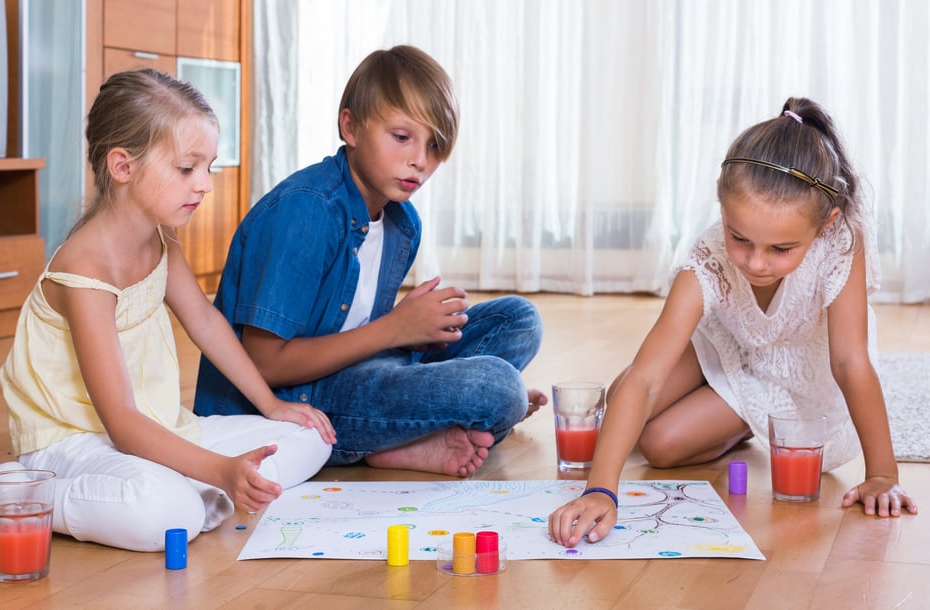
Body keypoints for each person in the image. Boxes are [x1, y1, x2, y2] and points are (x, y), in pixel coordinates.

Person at [0, 69, 336, 552]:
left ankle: (197, 488)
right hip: (74, 442)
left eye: (208, 167)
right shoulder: (85, 270)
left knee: (311, 436)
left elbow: (205, 322)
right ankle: (15, 493)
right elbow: (119, 419)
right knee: (167, 515)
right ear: (122, 166)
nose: (204, 185)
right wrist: (220, 471)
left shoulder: (162, 240)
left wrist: (272, 406)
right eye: (187, 169)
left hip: (157, 425)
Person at [549, 97, 918, 548]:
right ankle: (721, 395)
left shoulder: (842, 242)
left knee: (660, 445)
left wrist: (882, 474)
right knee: (621, 398)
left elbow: (849, 361)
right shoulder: (710, 258)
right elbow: (645, 376)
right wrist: (601, 490)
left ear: (826, 224)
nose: (755, 263)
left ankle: (744, 421)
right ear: (723, 210)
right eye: (739, 238)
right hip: (731, 339)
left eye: (781, 249)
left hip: (800, 378)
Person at [193, 45, 545, 478]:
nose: (420, 160)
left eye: (434, 145)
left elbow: (361, 337)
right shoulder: (307, 211)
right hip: (288, 402)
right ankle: (411, 433)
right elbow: (264, 363)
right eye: (402, 137)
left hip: (355, 372)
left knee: (518, 319)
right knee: (499, 388)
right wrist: (397, 329)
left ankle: (417, 428)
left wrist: (415, 335)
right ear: (351, 127)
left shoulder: (403, 222)